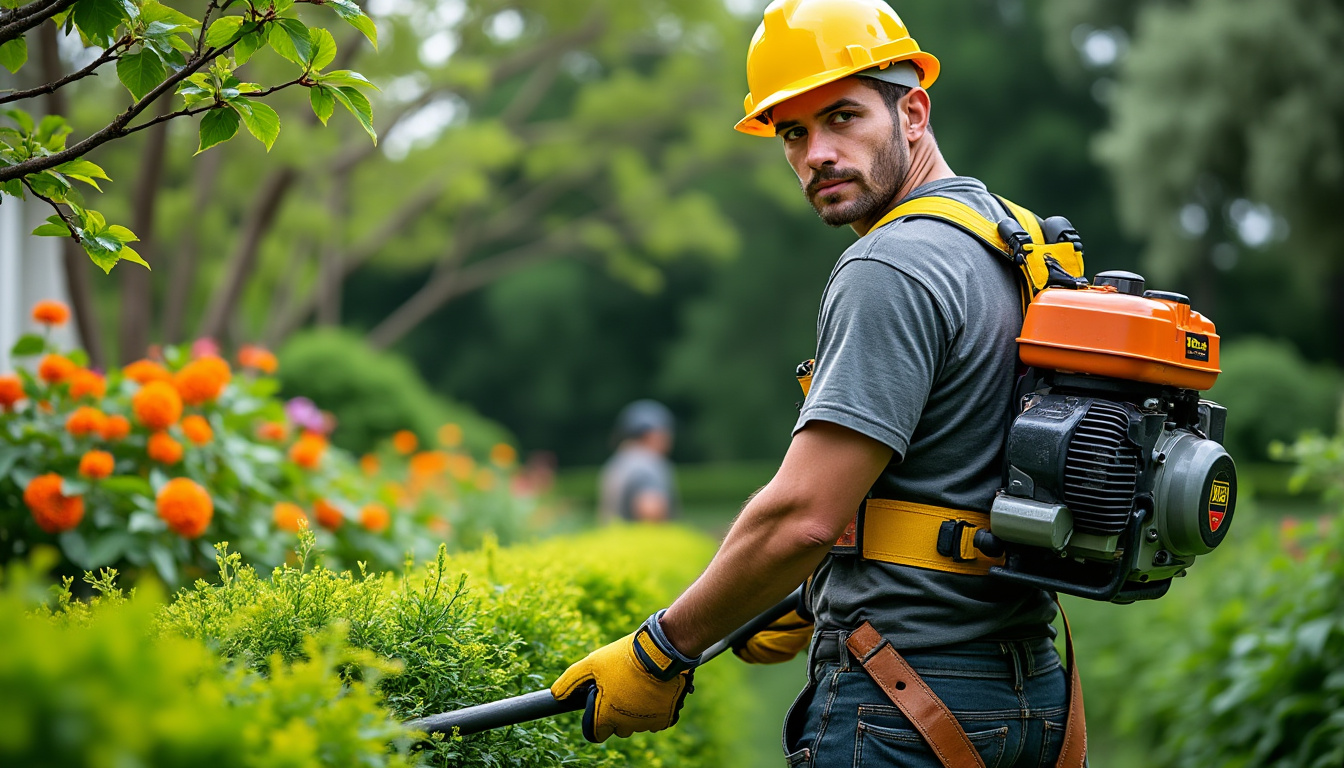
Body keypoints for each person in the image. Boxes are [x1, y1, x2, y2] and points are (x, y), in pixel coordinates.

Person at [551, 2, 1085, 766]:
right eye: (793, 133)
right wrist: (806, 595)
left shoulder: (889, 266)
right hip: (1032, 693)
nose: (816, 154)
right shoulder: (1018, 242)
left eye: (841, 117)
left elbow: (804, 515)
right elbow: (958, 466)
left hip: (905, 702)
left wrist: (660, 650)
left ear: (913, 112)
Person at [597, 399, 678, 524]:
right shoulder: (647, 464)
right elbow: (651, 512)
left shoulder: (616, 463)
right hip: (643, 542)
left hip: (616, 540)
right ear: (651, 434)